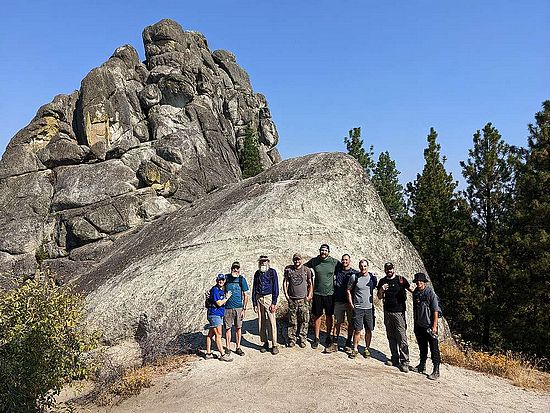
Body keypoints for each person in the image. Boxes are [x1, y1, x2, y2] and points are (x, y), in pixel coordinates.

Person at [377, 262, 414, 372]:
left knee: (402, 337)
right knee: (391, 336)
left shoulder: (401, 280)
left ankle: (405, 362)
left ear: (394, 269)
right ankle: (395, 358)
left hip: (399, 312)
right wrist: (381, 290)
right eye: (387, 269)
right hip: (387, 312)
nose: (389, 271)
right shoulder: (382, 281)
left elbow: (411, 289)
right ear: (384, 270)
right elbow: (379, 297)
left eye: (391, 269)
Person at [305, 244, 340, 349]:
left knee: (329, 316)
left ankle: (328, 336)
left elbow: (345, 268)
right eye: (322, 250)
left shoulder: (334, 262)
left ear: (328, 252)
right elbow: (304, 267)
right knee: (317, 316)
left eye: (325, 250)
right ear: (319, 251)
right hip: (317, 294)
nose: (323, 252)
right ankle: (316, 338)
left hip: (330, 294)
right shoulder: (315, 261)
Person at [411, 272, 441, 380]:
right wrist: (415, 323)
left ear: (424, 282)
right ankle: (421, 366)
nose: (419, 283)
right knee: (422, 347)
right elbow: (415, 308)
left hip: (430, 325)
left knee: (434, 348)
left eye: (421, 281)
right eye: (417, 281)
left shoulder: (430, 293)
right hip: (419, 325)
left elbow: (435, 311)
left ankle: (436, 370)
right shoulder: (416, 293)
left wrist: (434, 327)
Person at [347, 259, 378, 358]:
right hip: (358, 308)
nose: (363, 268)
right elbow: (348, 290)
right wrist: (351, 304)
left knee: (369, 330)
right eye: (361, 266)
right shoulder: (354, 277)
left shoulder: (372, 278)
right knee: (357, 330)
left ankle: (367, 349)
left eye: (365, 266)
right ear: (359, 267)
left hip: (369, 308)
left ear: (367, 267)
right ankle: (355, 349)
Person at [283, 253, 313, 348]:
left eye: (298, 259)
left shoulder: (306, 270)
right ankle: (292, 339)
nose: (297, 261)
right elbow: (285, 283)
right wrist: (286, 296)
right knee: (292, 321)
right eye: (295, 260)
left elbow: (310, 283)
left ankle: (302, 339)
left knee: (305, 320)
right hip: (292, 299)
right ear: (293, 260)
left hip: (303, 300)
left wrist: (309, 295)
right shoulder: (289, 270)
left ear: (301, 260)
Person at [252, 255, 279, 355]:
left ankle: (274, 345)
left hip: (268, 297)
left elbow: (276, 287)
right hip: (259, 297)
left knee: (272, 321)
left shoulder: (272, 272)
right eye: (261, 261)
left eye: (265, 261)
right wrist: (254, 303)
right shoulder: (257, 273)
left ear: (268, 262)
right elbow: (254, 288)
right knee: (261, 321)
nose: (263, 263)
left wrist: (274, 302)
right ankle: (265, 342)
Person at [205, 273, 233, 362]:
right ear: (217, 280)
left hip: (217, 314)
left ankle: (208, 353)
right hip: (214, 314)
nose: (221, 281)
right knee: (218, 335)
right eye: (219, 280)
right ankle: (222, 354)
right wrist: (227, 298)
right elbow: (219, 303)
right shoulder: (215, 290)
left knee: (211, 334)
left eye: (222, 280)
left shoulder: (220, 290)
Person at [224, 261, 250, 356]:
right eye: (234, 268)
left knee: (238, 328)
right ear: (231, 268)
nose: (235, 269)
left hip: (239, 308)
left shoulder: (241, 279)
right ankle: (227, 348)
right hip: (227, 308)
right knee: (227, 328)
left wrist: (244, 309)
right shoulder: (226, 278)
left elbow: (245, 294)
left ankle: (238, 347)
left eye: (237, 268)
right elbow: (220, 288)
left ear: (239, 269)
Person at [332, 254, 356, 352]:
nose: (344, 261)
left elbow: (364, 275)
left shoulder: (354, 273)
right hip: (338, 301)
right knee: (337, 322)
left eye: (346, 260)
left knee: (351, 323)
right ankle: (335, 343)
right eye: (343, 260)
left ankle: (348, 342)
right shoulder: (337, 270)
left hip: (349, 302)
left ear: (349, 261)